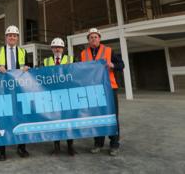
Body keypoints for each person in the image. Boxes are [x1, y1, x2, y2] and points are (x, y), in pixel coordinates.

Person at [80, 27, 124, 157]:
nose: (93, 39)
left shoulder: (109, 51)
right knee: (97, 116)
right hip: (93, 90)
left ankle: (114, 144)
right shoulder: (83, 54)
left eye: (96, 36)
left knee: (112, 116)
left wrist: (113, 65)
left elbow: (121, 65)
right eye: (91, 37)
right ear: (88, 40)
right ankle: (98, 143)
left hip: (109, 88)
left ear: (99, 38)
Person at [0, 25, 30, 161]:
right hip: (3, 90)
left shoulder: (23, 52)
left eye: (14, 35)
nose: (12, 37)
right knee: (3, 118)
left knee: (21, 118)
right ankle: (2, 150)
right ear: (6, 37)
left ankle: (21, 147)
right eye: (9, 35)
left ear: (18, 38)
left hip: (19, 90)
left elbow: (30, 68)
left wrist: (27, 68)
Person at [43, 37, 76, 156]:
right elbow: (42, 77)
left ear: (63, 49)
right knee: (55, 120)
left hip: (67, 95)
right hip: (53, 96)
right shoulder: (46, 61)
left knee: (68, 120)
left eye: (60, 47)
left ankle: (70, 146)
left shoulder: (71, 59)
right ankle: (56, 146)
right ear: (52, 49)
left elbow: (76, 75)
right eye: (55, 47)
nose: (57, 49)